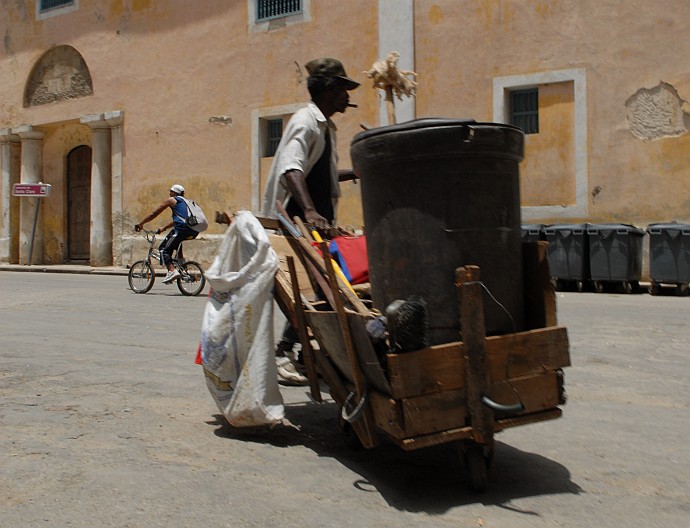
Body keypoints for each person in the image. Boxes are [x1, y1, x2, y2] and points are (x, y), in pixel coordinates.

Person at [262, 57, 360, 385]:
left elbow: (325, 176)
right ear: (330, 90)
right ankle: (283, 353)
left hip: (314, 225)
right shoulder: (306, 121)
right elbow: (292, 168)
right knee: (314, 289)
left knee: (322, 289)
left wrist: (356, 173)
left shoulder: (324, 127)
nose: (348, 96)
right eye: (344, 89)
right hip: (296, 222)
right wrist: (310, 212)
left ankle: (304, 354)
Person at [135, 184, 199, 284]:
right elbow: (181, 220)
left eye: (171, 192)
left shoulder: (171, 200)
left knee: (164, 249)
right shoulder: (186, 203)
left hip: (182, 229)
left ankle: (172, 271)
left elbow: (154, 213)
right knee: (176, 242)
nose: (169, 193)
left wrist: (141, 223)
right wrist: (164, 228)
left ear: (174, 192)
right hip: (194, 230)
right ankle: (183, 268)